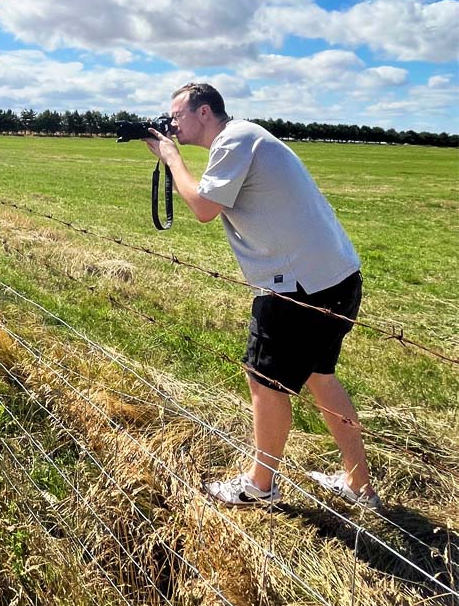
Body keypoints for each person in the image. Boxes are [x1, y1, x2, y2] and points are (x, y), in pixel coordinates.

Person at [144, 82, 380, 510]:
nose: (172, 124)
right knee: (320, 377)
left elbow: (202, 208)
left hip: (296, 287)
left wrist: (171, 158)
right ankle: (359, 484)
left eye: (176, 115)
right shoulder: (247, 137)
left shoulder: (234, 139)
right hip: (336, 278)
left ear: (203, 112)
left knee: (264, 383)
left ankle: (260, 485)